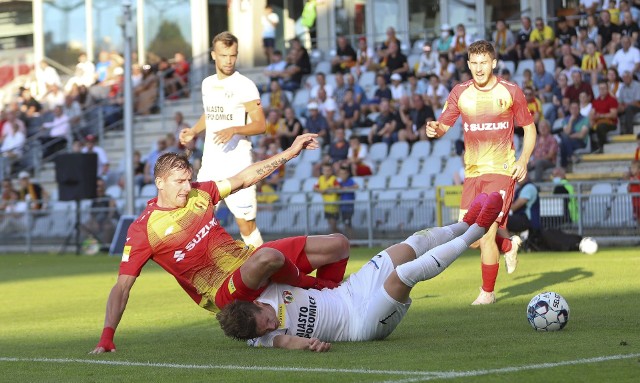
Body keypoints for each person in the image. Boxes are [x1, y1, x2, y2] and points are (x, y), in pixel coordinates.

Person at [90, 133, 352, 354]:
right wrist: (107, 335)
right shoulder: (143, 230)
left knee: (338, 244)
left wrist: (290, 152)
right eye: (179, 182)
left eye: (188, 180)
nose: (186, 187)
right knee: (268, 257)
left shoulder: (199, 192)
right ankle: (320, 288)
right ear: (159, 183)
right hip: (225, 292)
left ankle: (334, 301)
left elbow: (244, 178)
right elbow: (122, 288)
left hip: (250, 261)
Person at [217, 193, 504, 349]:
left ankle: (465, 223)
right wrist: (309, 346)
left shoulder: (267, 289)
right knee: (404, 275)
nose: (270, 326)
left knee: (410, 245)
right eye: (264, 330)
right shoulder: (264, 338)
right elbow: (286, 341)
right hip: (361, 323)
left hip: (350, 291)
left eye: (265, 319)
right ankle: (478, 231)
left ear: (256, 303)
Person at [426, 40, 537, 304]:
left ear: (494, 63)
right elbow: (444, 125)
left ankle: (487, 293)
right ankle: (509, 245)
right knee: (472, 238)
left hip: (501, 170)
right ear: (467, 64)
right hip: (473, 173)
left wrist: (523, 160)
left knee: (486, 233)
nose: (479, 68)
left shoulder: (510, 91)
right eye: (474, 63)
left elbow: (530, 129)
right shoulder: (460, 92)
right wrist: (435, 129)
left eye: (484, 63)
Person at [179, 31, 267, 248]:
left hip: (238, 164)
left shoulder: (245, 85)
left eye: (233, 55)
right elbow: (210, 114)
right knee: (197, 222)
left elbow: (261, 125)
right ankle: (206, 274)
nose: (229, 60)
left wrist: (235, 129)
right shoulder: (207, 84)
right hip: (211, 164)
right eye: (224, 55)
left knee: (246, 225)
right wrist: (194, 131)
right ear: (213, 55)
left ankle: (268, 272)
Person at [506, 174, 540, 245]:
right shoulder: (521, 188)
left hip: (527, 220)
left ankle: (510, 246)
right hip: (522, 218)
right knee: (498, 221)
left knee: (499, 222)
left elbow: (515, 207)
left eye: (519, 176)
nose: (517, 178)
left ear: (526, 176)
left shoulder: (529, 187)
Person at [84, 178, 118, 248]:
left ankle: (105, 247)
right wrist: (94, 222)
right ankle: (93, 246)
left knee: (107, 227)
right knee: (86, 227)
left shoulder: (109, 199)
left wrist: (104, 222)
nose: (99, 188)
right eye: (98, 186)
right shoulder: (94, 200)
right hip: (97, 222)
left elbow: (111, 214)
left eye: (101, 186)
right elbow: (92, 214)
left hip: (108, 221)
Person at [558, 100, 590, 167]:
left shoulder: (585, 119)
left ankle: (563, 167)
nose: (574, 110)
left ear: (579, 109)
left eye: (576, 108)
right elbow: (567, 132)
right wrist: (571, 121)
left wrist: (569, 136)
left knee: (563, 141)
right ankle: (572, 156)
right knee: (563, 143)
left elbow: (581, 135)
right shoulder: (566, 120)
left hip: (580, 142)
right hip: (569, 142)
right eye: (572, 108)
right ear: (569, 110)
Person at [589, 80, 619, 153]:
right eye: (600, 88)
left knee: (601, 126)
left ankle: (602, 147)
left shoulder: (612, 100)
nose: (602, 90)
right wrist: (591, 121)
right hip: (598, 122)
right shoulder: (596, 101)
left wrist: (601, 116)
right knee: (588, 128)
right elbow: (591, 114)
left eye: (604, 88)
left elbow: (613, 115)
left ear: (607, 89)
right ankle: (593, 149)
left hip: (610, 123)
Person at [314, 162, 340, 234]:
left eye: (328, 170)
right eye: (325, 170)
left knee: (333, 226)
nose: (327, 172)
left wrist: (328, 190)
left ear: (331, 171)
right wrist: (321, 191)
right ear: (322, 171)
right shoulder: (320, 179)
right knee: (331, 226)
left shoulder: (333, 179)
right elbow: (314, 188)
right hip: (326, 206)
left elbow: (338, 187)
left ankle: (343, 239)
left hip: (334, 206)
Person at [616, 70, 640, 135]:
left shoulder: (637, 86)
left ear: (631, 77)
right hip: (626, 107)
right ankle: (619, 131)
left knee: (629, 108)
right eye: (624, 78)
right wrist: (620, 107)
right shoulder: (622, 88)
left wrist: (625, 106)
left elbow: (637, 102)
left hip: (637, 106)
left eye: (627, 77)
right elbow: (620, 102)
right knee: (616, 109)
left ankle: (629, 131)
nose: (625, 79)